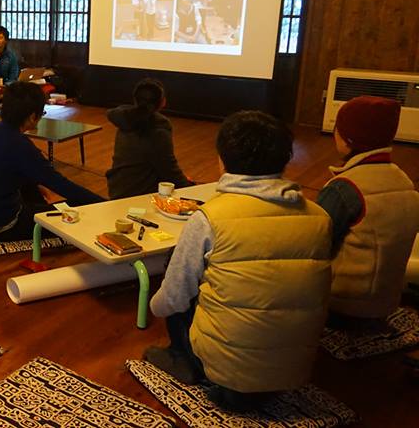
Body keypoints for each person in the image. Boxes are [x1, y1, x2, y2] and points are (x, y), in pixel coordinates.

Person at [145, 111, 332, 412]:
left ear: (222, 159)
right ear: (286, 159)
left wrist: (153, 307)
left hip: (224, 371)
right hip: (295, 367)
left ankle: (184, 359)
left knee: (179, 275)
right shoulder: (320, 217)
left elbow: (173, 299)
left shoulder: (209, 218)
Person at [317, 96, 419, 328]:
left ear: (349, 138)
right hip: (387, 301)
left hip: (343, 304)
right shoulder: (404, 180)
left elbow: (316, 243)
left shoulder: (346, 188)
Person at [0, 82, 103, 241]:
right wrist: (103, 205)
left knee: (31, 183)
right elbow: (60, 184)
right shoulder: (19, 145)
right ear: (32, 117)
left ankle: (35, 209)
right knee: (76, 214)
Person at [106, 79, 193, 199]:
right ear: (162, 102)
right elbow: (169, 170)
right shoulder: (158, 130)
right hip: (139, 195)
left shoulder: (126, 118)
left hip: (117, 189)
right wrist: (190, 187)